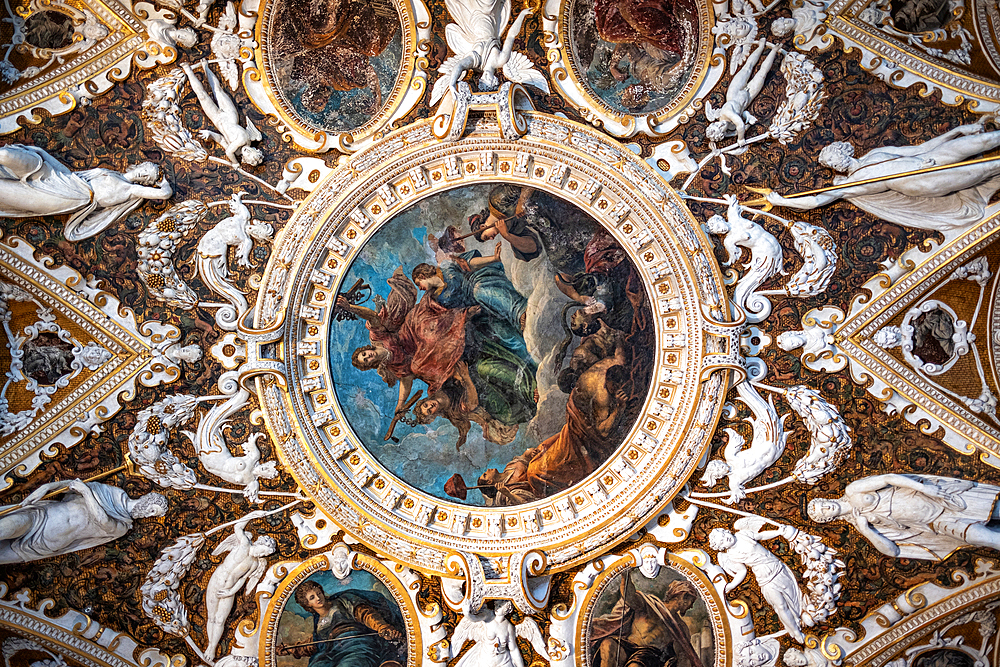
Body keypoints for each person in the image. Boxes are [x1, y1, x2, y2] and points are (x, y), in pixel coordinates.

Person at [472, 333, 630, 505]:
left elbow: (524, 458)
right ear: (490, 482)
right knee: (536, 471)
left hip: (543, 457)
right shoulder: (504, 494)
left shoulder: (510, 468)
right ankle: (576, 448)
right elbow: (525, 502)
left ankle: (570, 435)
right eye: (485, 475)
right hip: (544, 475)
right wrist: (507, 493)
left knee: (560, 440)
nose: (487, 470)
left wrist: (528, 453)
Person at [765, 119, 1000, 231]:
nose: (833, 162)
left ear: (843, 150)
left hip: (931, 159)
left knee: (984, 139)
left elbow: (919, 149)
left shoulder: (875, 153)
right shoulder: (853, 184)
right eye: (830, 163)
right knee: (990, 167)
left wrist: (956, 131)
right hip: (925, 181)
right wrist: (782, 201)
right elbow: (816, 200)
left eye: (833, 155)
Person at [807, 473, 1000, 560]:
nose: (825, 507)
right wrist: (867, 531)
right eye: (823, 512)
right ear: (828, 520)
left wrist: (923, 487)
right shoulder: (861, 524)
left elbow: (888, 478)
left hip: (939, 497)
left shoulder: (852, 491)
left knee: (997, 508)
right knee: (986, 538)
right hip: (937, 523)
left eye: (821, 504)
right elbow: (893, 552)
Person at [0, 144, 172, 241]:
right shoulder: (111, 173)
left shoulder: (132, 190)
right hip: (63, 179)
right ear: (139, 165)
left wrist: (162, 181)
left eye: (148, 177)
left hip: (69, 198)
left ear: (146, 183)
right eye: (146, 168)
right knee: (6, 155)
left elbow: (164, 194)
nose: (144, 173)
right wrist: (44, 154)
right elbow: (71, 175)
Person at [0, 480, 167, 564]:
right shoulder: (112, 493)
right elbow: (73, 485)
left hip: (44, 544)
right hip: (41, 517)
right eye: (152, 508)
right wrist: (47, 487)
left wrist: (87, 493)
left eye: (153, 514)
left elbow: (104, 522)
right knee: (6, 528)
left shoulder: (123, 526)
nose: (149, 514)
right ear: (147, 498)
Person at [276, 580, 405, 667]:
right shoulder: (318, 623)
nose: (318, 598)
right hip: (330, 653)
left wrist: (382, 627)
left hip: (355, 644)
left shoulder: (342, 601)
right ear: (307, 604)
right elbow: (315, 643)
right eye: (312, 597)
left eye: (318, 593)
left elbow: (365, 614)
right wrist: (291, 649)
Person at [590, 573, 706, 667]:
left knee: (635, 665)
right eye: (692, 601)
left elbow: (683, 655)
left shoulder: (680, 627)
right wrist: (625, 576)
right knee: (608, 644)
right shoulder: (649, 603)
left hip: (650, 654)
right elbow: (629, 596)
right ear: (684, 597)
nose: (691, 606)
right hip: (628, 645)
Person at [181, 62, 263, 168]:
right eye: (250, 151)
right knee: (218, 91)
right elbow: (229, 152)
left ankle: (188, 70)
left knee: (202, 96)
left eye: (247, 154)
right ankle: (205, 67)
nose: (247, 150)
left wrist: (210, 134)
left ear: (245, 159)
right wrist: (235, 163)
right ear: (254, 148)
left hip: (217, 119)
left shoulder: (237, 152)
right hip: (230, 115)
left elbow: (221, 139)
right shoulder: (243, 140)